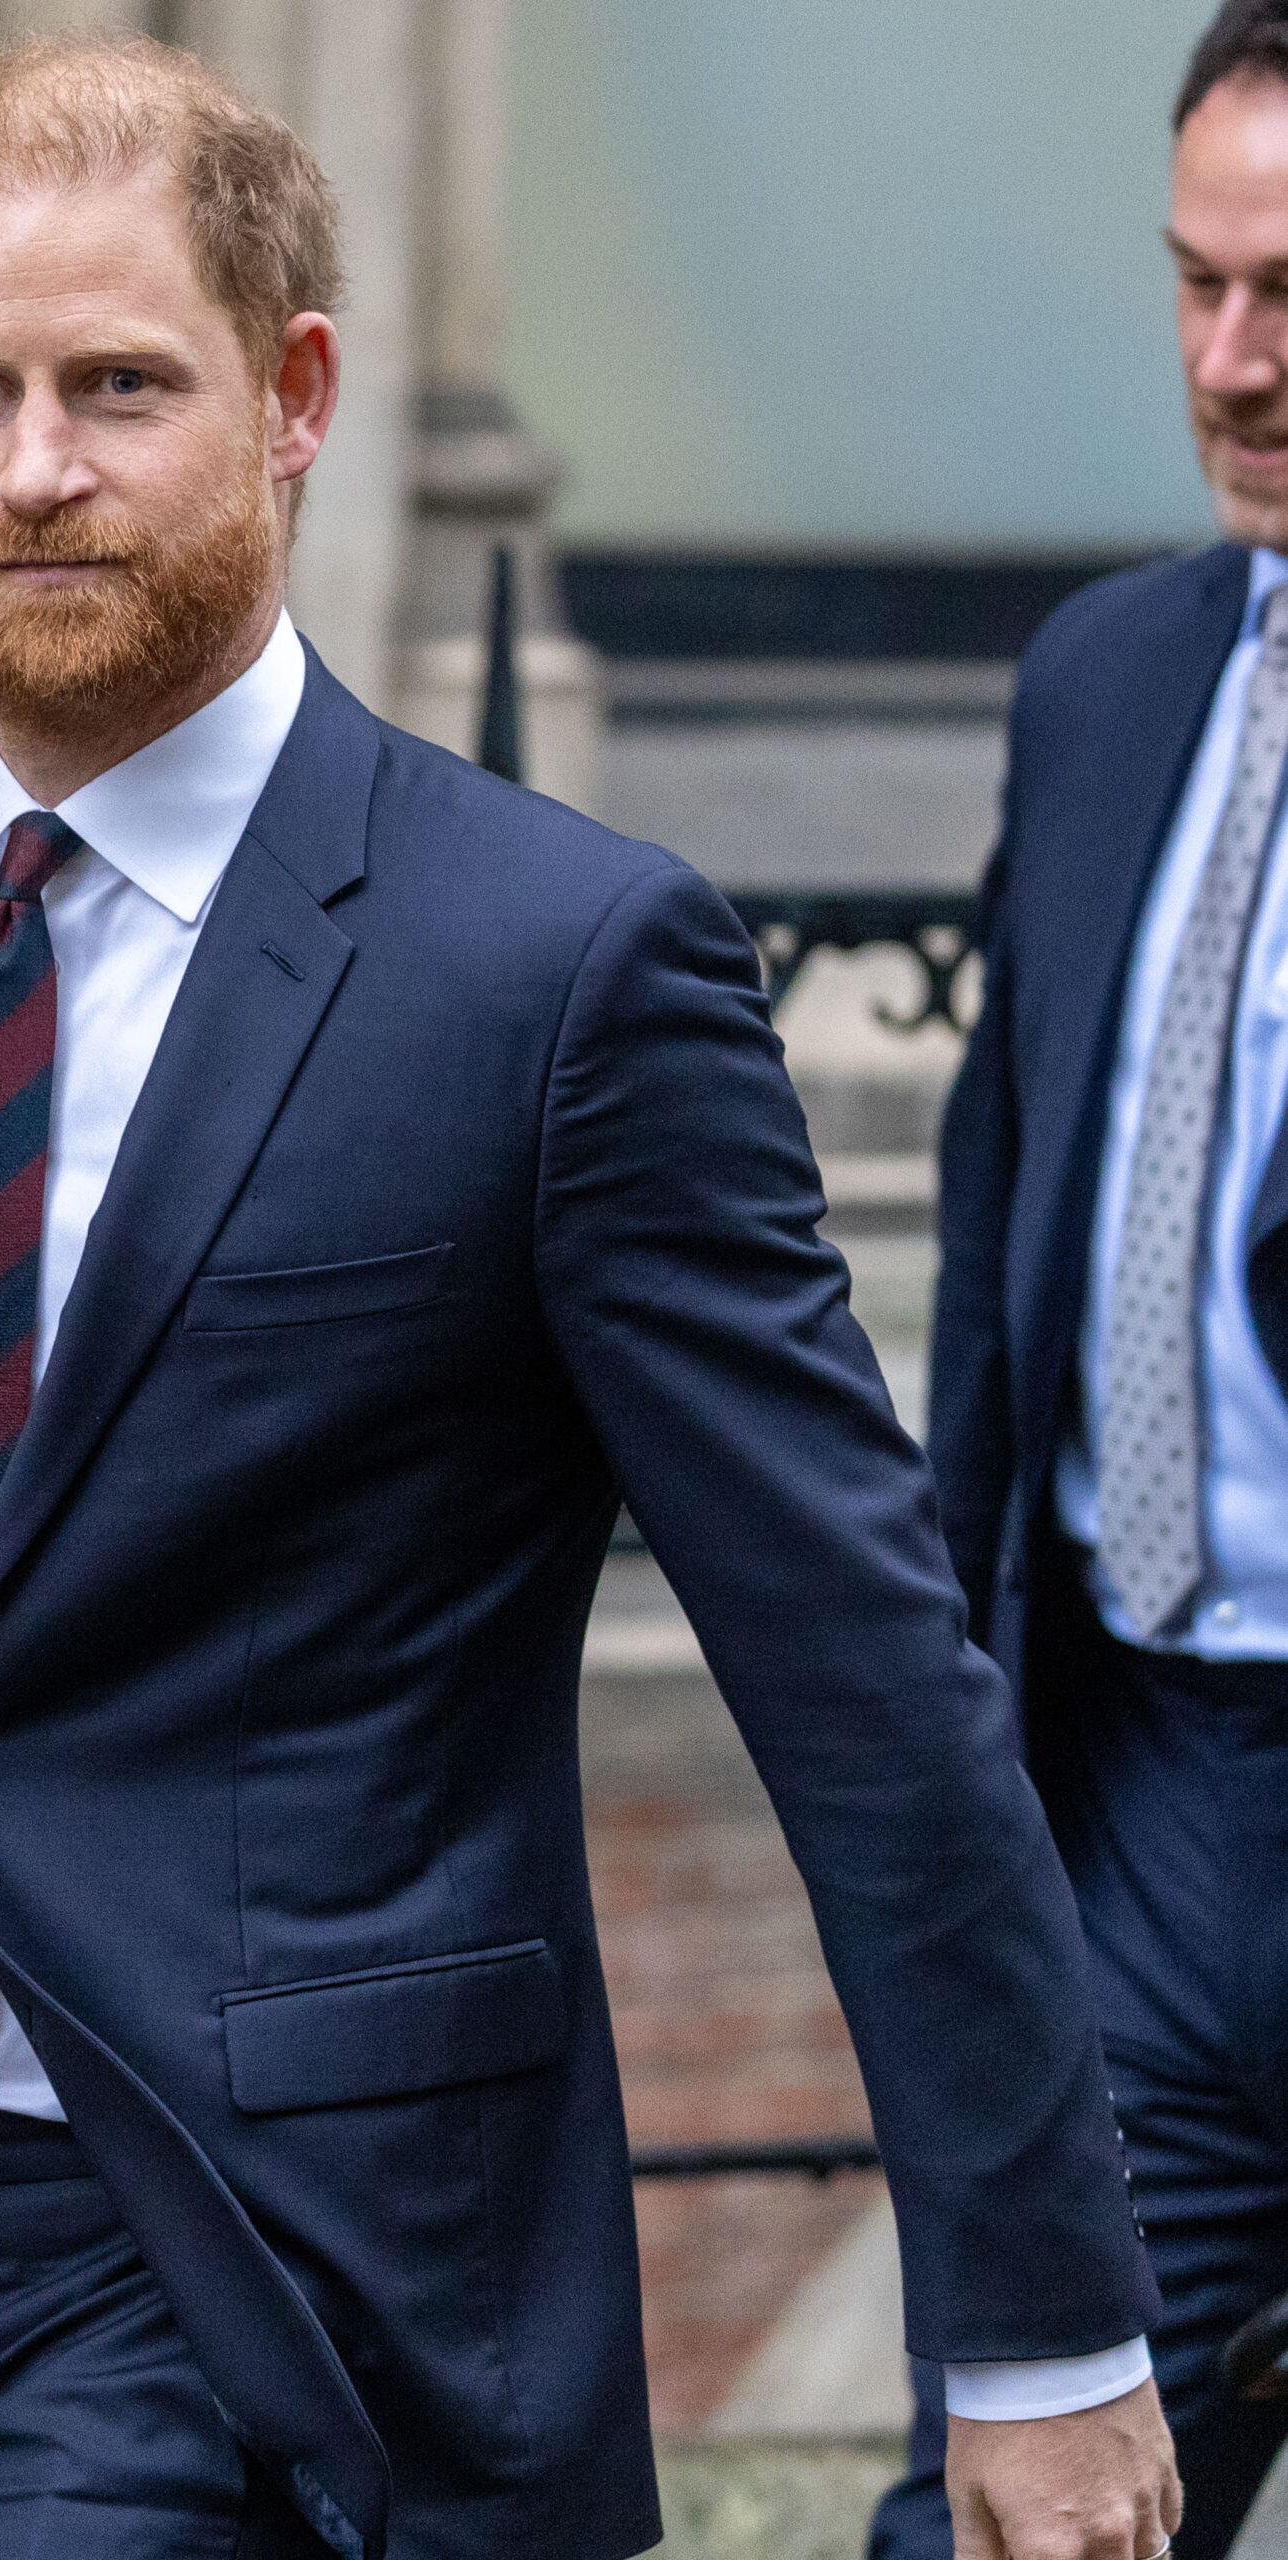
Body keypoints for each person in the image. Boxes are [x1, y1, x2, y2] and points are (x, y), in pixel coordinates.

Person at [0, 36, 1176, 2560]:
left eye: (120, 386)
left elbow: (866, 1676)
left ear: (296, 397)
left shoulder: (557, 965)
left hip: (295, 2286)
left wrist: (1045, 2330)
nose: (36, 468)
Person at [868, 8, 1288, 2558]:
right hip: (1132, 1796)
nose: (1230, 364)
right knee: (1014, 2513)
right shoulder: (1108, 682)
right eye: (1196, 285)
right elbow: (1004, 1259)